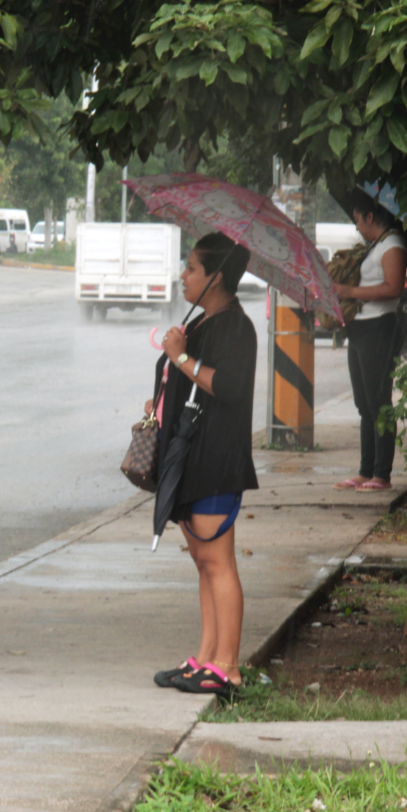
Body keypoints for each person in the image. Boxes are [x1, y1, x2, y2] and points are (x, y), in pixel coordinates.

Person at [149, 233, 258, 701]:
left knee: (218, 561)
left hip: (217, 458)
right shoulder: (205, 323)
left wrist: (181, 357)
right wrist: (178, 351)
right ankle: (207, 656)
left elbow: (228, 386)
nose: (183, 275)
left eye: (191, 268)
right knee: (202, 562)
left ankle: (228, 667)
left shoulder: (236, 327)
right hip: (191, 458)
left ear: (215, 277)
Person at [333, 189, 407, 492]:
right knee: (364, 402)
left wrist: (350, 293)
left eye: (357, 221)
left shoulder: (392, 244)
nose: (357, 227)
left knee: (379, 401)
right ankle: (366, 469)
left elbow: (393, 288)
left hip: (380, 327)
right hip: (360, 327)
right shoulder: (373, 244)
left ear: (371, 217)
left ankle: (382, 473)